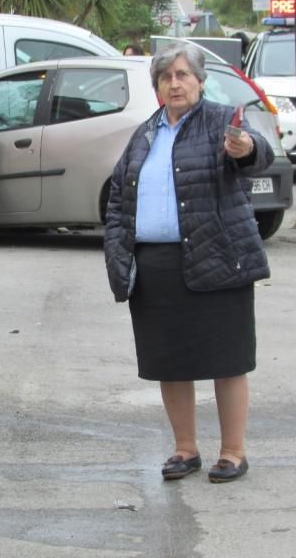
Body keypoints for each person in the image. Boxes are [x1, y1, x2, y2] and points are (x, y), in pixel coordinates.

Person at [103, 42, 274, 484]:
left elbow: (261, 153)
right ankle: (185, 449)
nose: (174, 83)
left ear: (200, 81)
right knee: (170, 361)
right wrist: (118, 253)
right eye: (166, 77)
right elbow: (120, 195)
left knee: (227, 358)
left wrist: (245, 148)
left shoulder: (223, 121)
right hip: (156, 266)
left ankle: (233, 452)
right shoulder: (144, 133)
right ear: (157, 86)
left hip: (219, 260)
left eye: (183, 75)